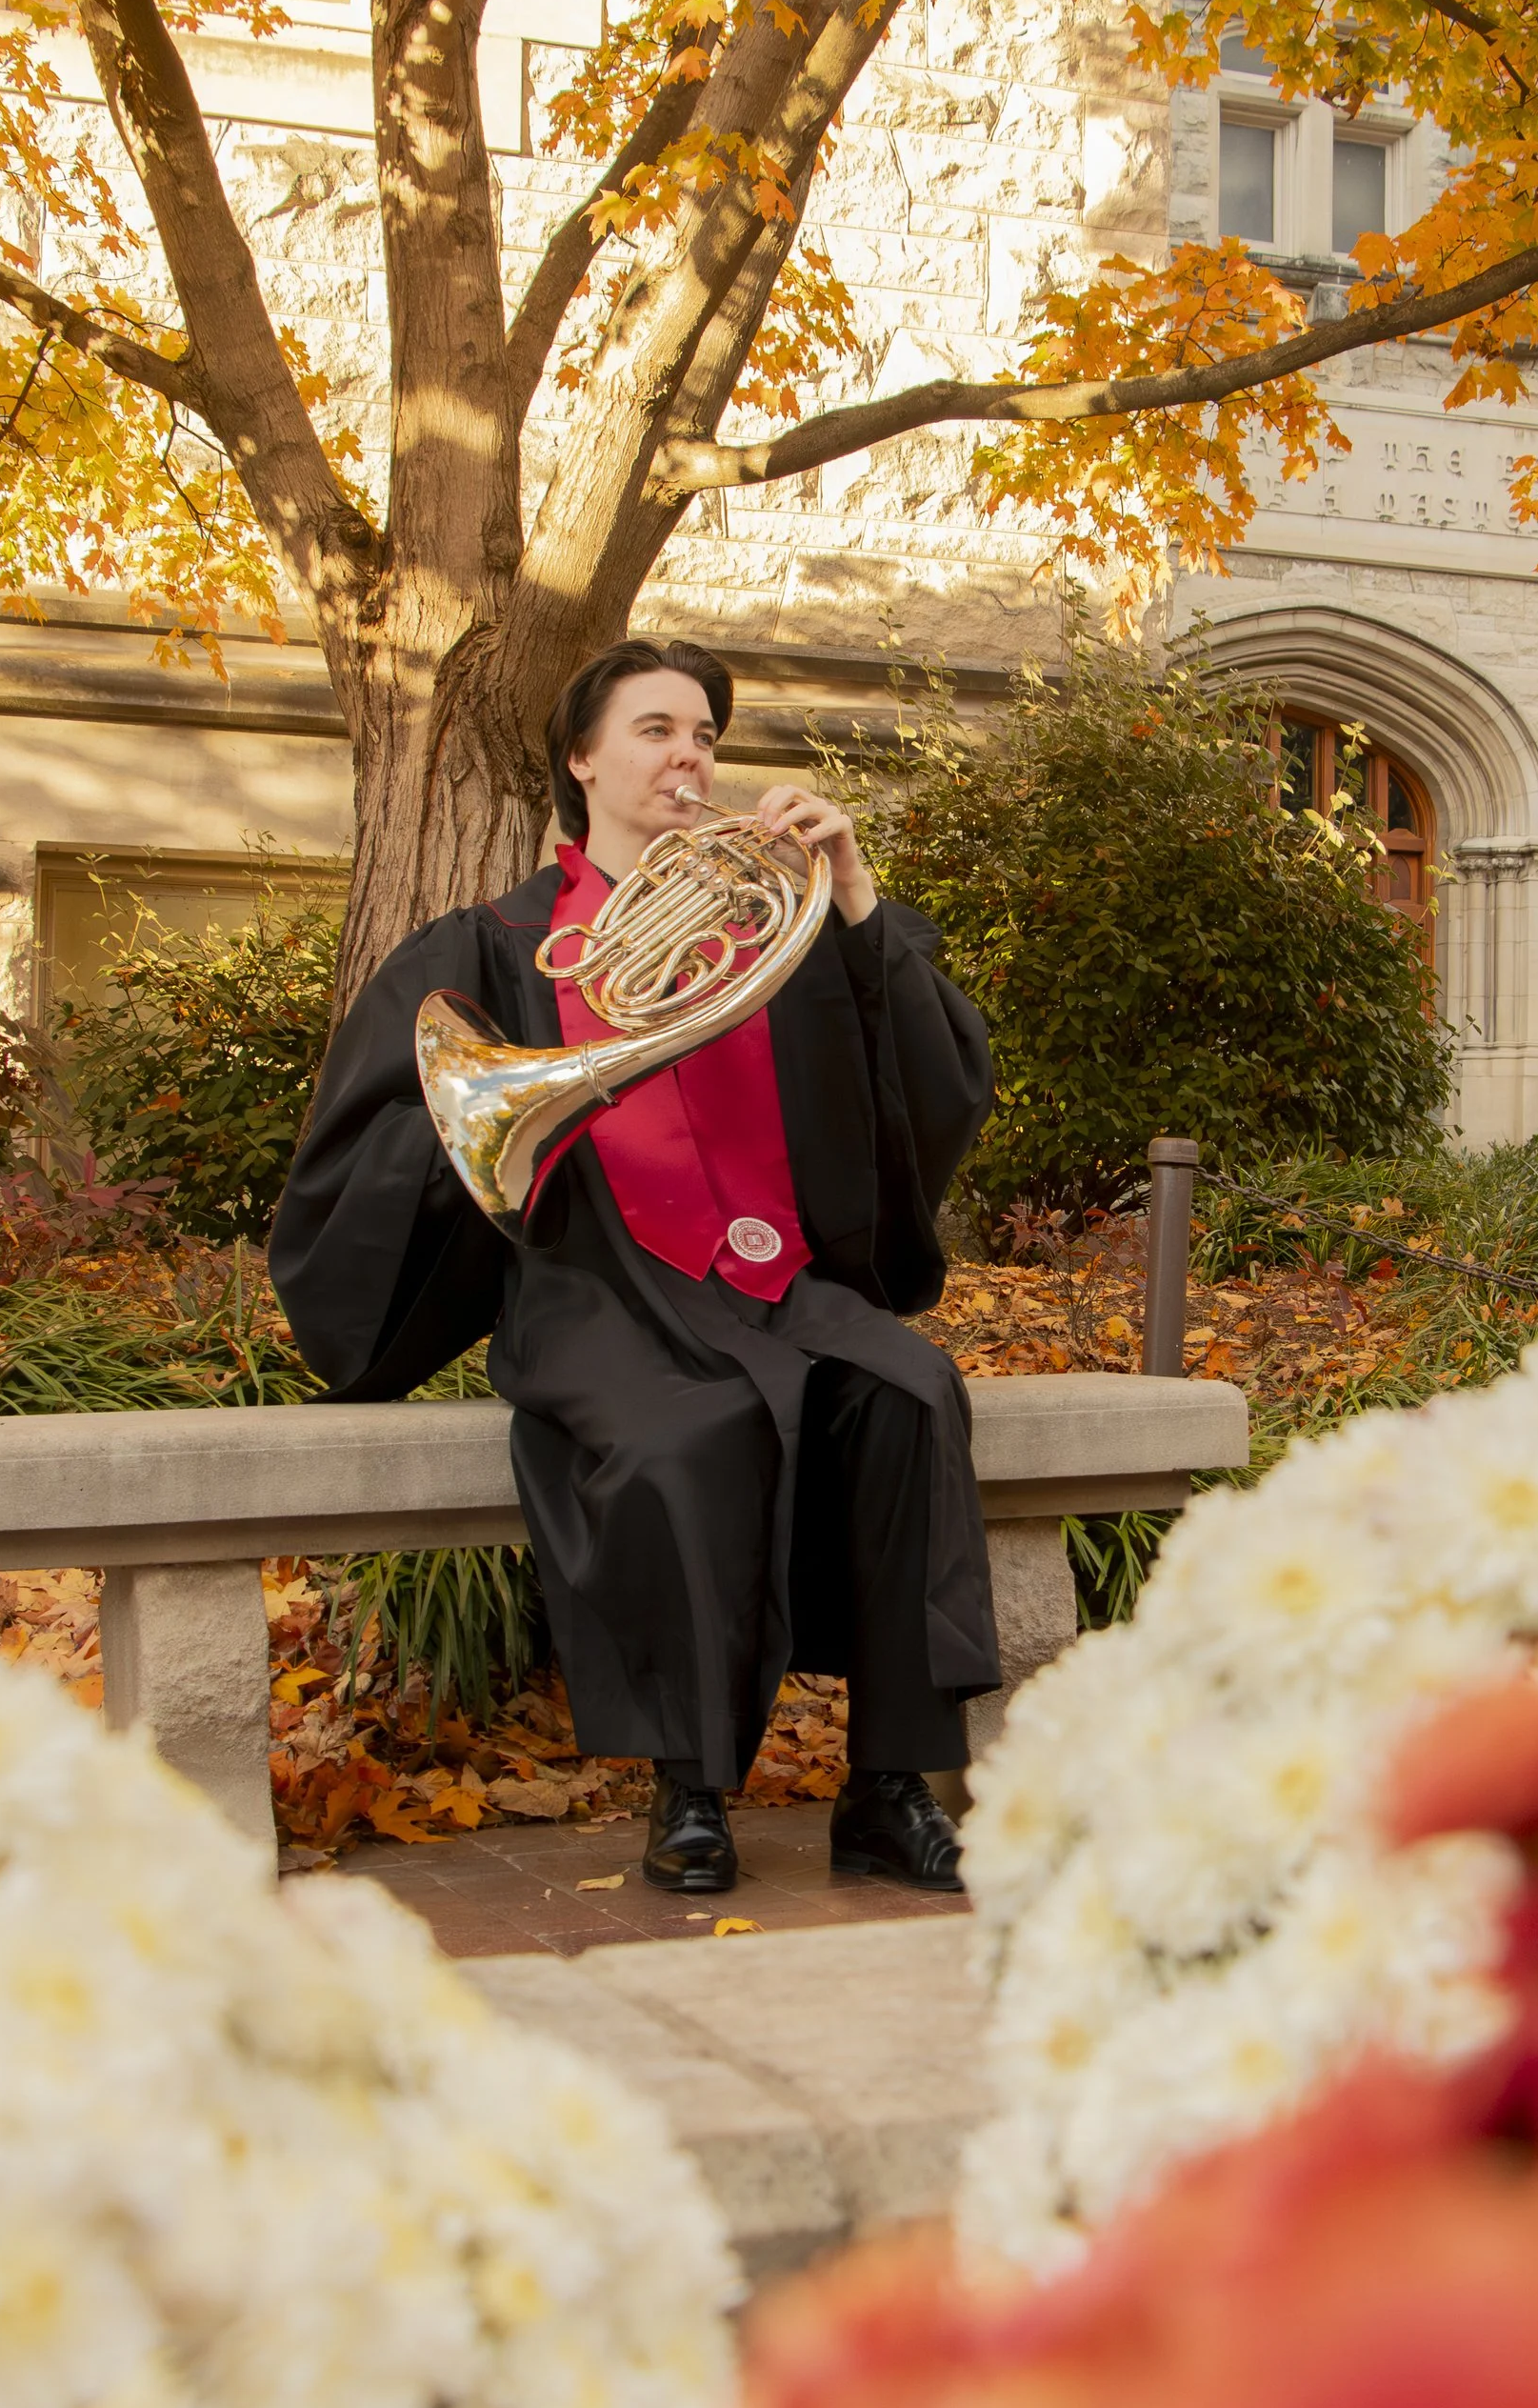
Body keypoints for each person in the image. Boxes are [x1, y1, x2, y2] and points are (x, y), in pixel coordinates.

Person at [269, 637, 1002, 1896]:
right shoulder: (495, 946)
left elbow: (930, 1082)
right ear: (582, 758)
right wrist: (478, 1140)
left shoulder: (781, 916)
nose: (690, 755)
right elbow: (377, 1136)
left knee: (911, 1391)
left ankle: (886, 1786)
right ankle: (690, 1788)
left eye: (706, 735)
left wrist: (860, 897)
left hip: (773, 1278)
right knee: (686, 1434)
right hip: (598, 1285)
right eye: (658, 729)